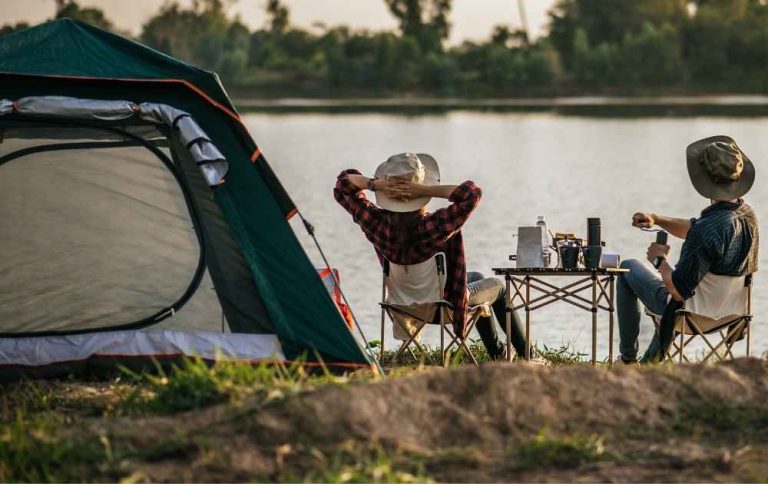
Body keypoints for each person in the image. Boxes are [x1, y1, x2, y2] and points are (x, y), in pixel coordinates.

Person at [333, 152, 527, 360]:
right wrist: (424, 190)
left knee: (476, 276)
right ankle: (526, 354)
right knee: (498, 287)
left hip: (401, 307)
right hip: (443, 308)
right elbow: (471, 193)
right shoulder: (435, 225)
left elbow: (343, 185)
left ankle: (498, 352)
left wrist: (375, 185)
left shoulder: (374, 223)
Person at [617, 136, 759, 363]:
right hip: (729, 314)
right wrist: (657, 219)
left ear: (704, 179)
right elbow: (695, 229)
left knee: (628, 268)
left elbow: (677, 291)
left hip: (691, 315)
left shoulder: (707, 230)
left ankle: (628, 360)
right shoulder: (747, 216)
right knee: (684, 291)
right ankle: (649, 364)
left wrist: (659, 259)